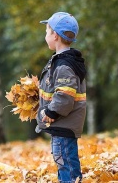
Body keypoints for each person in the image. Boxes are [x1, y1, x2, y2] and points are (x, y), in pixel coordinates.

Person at [35, 12, 87, 182]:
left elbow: (65, 95)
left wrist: (51, 113)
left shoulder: (64, 65)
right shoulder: (63, 61)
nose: (45, 36)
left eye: (46, 32)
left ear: (55, 36)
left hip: (63, 123)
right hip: (63, 124)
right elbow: (56, 89)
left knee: (65, 161)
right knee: (63, 160)